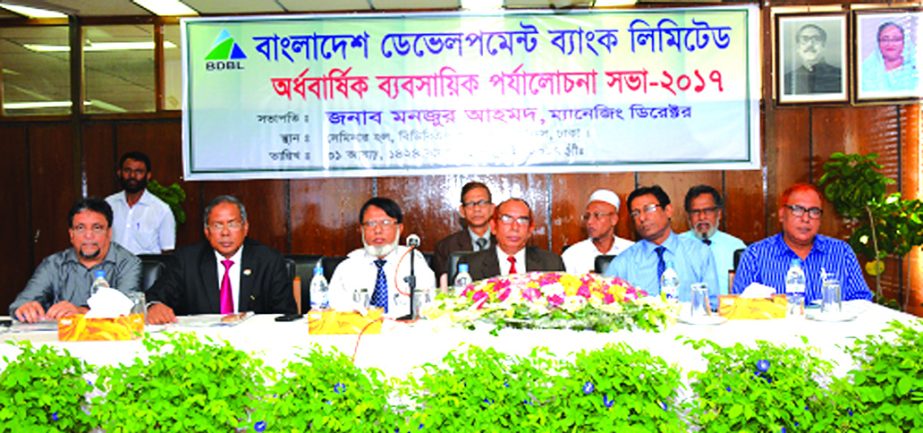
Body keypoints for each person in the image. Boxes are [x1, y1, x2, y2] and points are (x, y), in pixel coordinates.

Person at [146, 195, 295, 324]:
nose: (225, 233)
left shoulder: (268, 260)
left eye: (232, 224)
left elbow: (286, 314)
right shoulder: (187, 260)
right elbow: (155, 296)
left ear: (245, 228)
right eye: (217, 225)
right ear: (207, 231)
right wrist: (154, 306)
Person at [732, 183, 872, 303]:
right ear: (781, 214)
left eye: (814, 212)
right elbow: (739, 307)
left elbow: (861, 301)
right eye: (798, 210)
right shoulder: (755, 255)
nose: (806, 218)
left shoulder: (841, 251)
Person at [10, 198, 141, 322]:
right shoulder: (53, 264)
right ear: (71, 234)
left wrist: (81, 312)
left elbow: (127, 310)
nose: (88, 235)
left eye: (97, 228)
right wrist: (25, 308)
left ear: (109, 233)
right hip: (60, 341)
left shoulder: (128, 263)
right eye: (80, 228)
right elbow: (20, 304)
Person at [604, 185, 719, 303]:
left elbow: (712, 303)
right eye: (636, 213)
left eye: (649, 209)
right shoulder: (623, 262)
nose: (642, 218)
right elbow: (607, 307)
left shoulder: (698, 252)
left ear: (668, 210)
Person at [328, 197, 436, 318]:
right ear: (362, 229)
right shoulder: (347, 267)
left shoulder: (414, 263)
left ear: (399, 229)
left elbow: (428, 307)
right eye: (370, 224)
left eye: (385, 223)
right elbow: (335, 309)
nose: (378, 230)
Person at [464, 198, 565, 281]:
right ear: (493, 226)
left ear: (530, 230)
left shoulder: (551, 264)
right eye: (507, 219)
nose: (515, 227)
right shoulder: (471, 265)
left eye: (522, 220)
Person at [679, 185, 746, 295]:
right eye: (696, 212)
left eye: (708, 211)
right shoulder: (677, 245)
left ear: (718, 214)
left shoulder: (736, 246)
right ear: (688, 217)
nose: (702, 217)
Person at [105, 151, 176, 254]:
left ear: (148, 176)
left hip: (145, 268)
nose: (132, 176)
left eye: (139, 171)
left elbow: (167, 252)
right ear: (119, 173)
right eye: (127, 170)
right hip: (112, 268)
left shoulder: (162, 210)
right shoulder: (108, 205)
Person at [433, 181, 496, 282]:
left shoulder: (505, 243)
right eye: (470, 204)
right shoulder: (446, 247)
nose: (477, 209)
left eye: (482, 202)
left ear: (492, 208)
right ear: (462, 211)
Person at [562, 189, 634, 274]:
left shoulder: (632, 251)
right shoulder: (572, 255)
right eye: (587, 216)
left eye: (597, 215)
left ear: (614, 219)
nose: (589, 222)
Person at [861, 21, 920, 94]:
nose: (890, 44)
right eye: (885, 39)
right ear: (878, 43)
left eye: (896, 39)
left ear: (904, 42)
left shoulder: (916, 70)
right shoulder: (865, 73)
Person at [784, 23, 842, 95]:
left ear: (823, 46)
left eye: (816, 39)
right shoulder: (786, 80)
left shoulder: (839, 76)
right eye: (805, 39)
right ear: (798, 47)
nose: (810, 44)